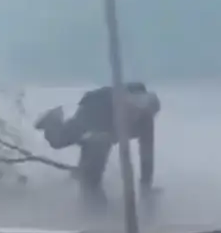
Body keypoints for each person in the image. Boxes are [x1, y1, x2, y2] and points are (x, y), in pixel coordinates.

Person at [34, 82, 160, 210]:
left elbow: (147, 156)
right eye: (132, 109)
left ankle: (92, 205)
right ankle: (52, 119)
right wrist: (88, 167)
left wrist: (146, 187)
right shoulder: (102, 109)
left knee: (93, 166)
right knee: (59, 141)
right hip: (93, 114)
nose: (135, 115)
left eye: (143, 112)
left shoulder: (146, 121)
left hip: (105, 132)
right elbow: (94, 148)